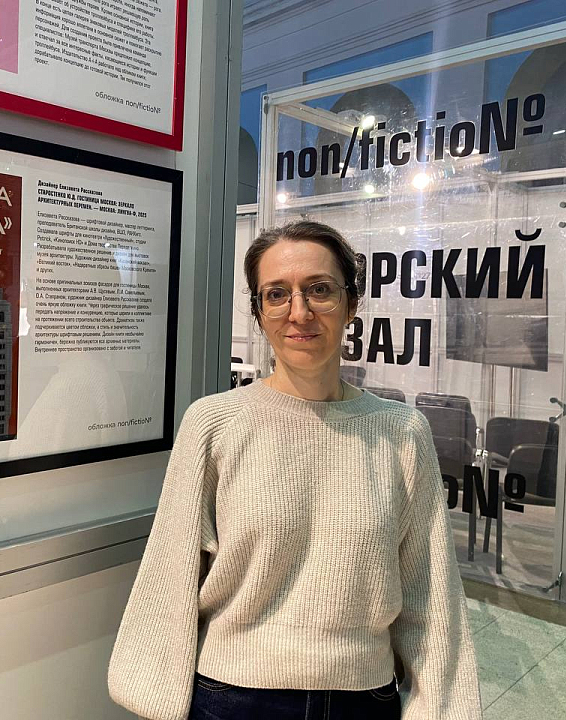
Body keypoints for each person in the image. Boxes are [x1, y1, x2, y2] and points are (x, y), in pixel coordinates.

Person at [107, 221, 482, 720]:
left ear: (351, 304)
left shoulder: (401, 432)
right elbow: (171, 573)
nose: (299, 312)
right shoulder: (214, 424)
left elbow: (429, 594)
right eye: (277, 294)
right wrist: (157, 698)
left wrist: (442, 707)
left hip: (362, 700)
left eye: (319, 290)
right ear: (259, 312)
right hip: (232, 698)